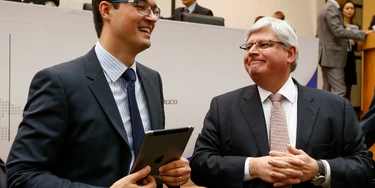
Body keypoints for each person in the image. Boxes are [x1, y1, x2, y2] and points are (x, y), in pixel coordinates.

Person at [6, 0, 191, 188]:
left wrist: (171, 172)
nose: (152, 18)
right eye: (141, 6)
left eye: (154, 10)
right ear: (106, 10)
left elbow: (147, 162)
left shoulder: (152, 80)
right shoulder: (59, 83)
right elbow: (21, 174)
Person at [189, 17, 374, 188]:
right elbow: (199, 165)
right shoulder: (223, 107)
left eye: (263, 44)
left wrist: (319, 168)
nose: (252, 51)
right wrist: (252, 167)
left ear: (290, 53)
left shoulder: (335, 107)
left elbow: (364, 167)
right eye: (248, 47)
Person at [317, 0, 373, 97]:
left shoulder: (325, 7)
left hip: (326, 55)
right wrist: (362, 33)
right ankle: (333, 112)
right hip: (333, 56)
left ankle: (325, 112)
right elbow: (338, 31)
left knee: (327, 90)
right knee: (340, 90)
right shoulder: (331, 8)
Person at [341, 0, 360, 101]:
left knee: (349, 88)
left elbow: (358, 48)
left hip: (350, 58)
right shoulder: (338, 25)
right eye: (347, 8)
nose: (350, 10)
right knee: (339, 86)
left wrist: (357, 41)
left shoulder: (356, 27)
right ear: (342, 10)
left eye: (352, 8)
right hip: (340, 57)